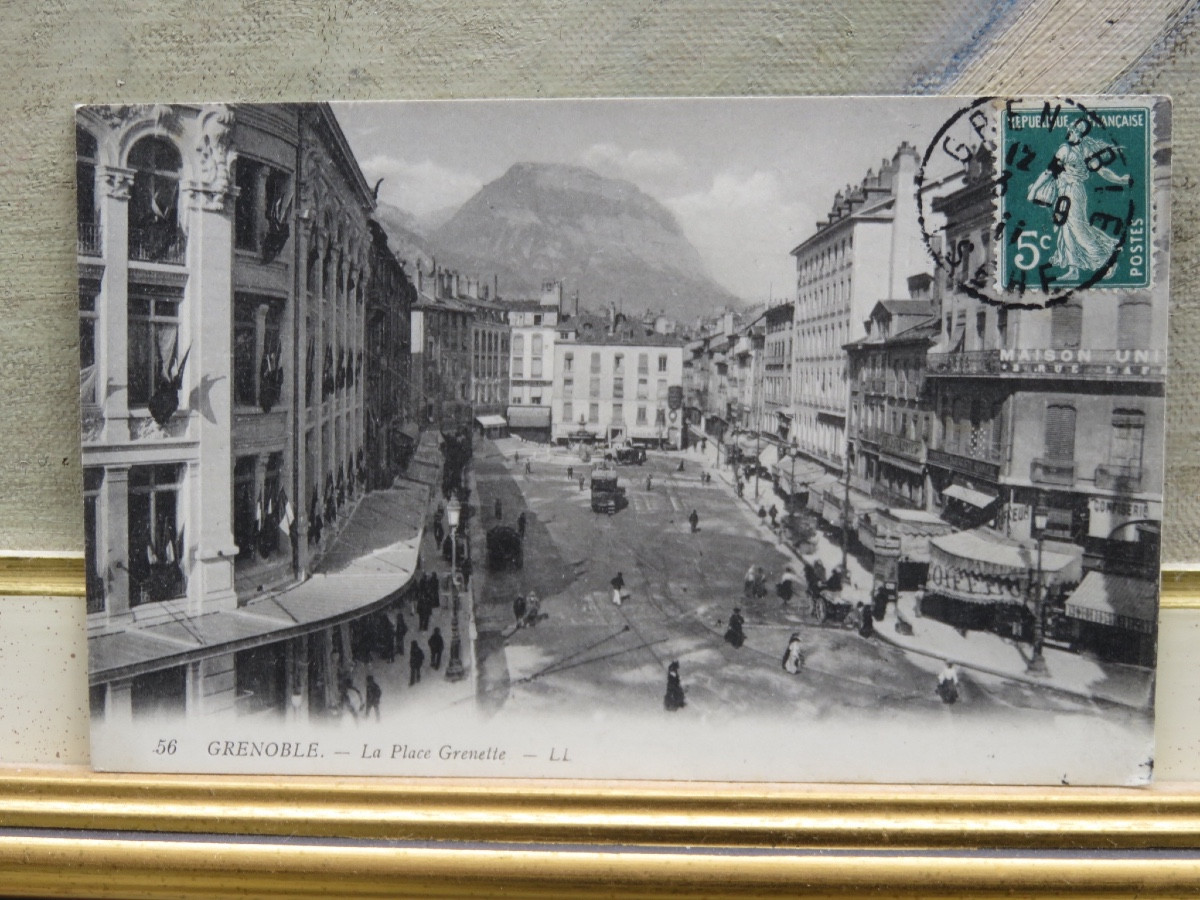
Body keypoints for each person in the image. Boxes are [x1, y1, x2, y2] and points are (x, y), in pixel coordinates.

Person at [1026, 117, 1130, 281]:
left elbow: (1101, 170)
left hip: (1074, 192)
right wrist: (1034, 192)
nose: (1070, 133)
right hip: (1063, 192)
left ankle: (1108, 261)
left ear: (1080, 135)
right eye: (1071, 130)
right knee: (1066, 231)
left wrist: (1119, 180)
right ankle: (1073, 270)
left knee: (1079, 230)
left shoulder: (1077, 151)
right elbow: (1050, 172)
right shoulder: (1069, 149)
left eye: (1074, 131)